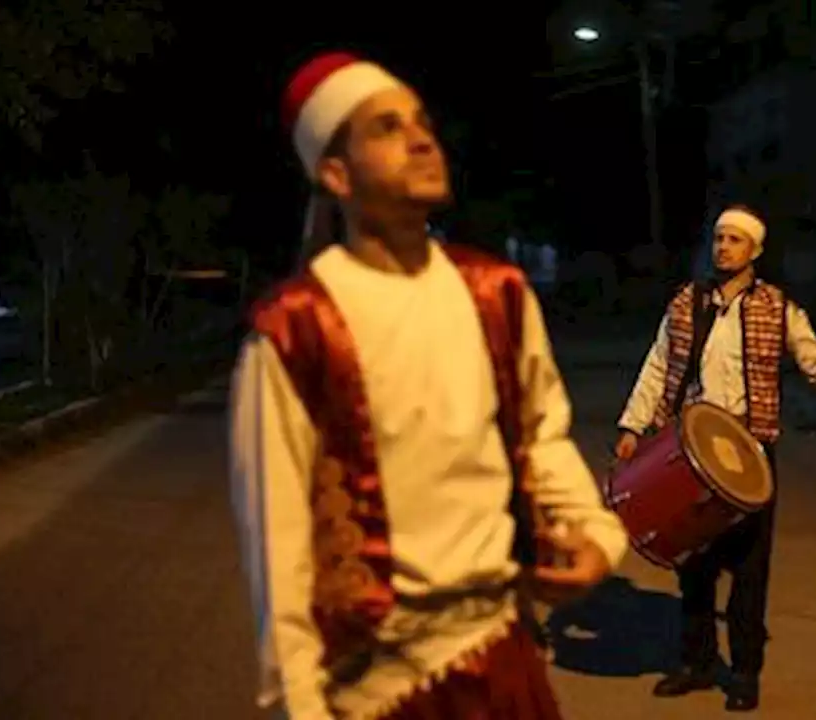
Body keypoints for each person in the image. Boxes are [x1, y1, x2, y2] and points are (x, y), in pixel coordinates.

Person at [228, 51, 628, 720]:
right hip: (381, 689)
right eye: (387, 128)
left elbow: (541, 436)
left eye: (423, 124)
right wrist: (303, 706)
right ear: (335, 172)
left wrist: (592, 533)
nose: (421, 139)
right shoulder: (296, 330)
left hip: (506, 654)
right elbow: (279, 549)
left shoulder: (496, 293)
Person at [613, 205, 816, 712]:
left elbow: (813, 357)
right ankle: (696, 662)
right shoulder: (687, 303)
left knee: (749, 569)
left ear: (754, 251)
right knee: (693, 564)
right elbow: (658, 364)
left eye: (734, 240)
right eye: (719, 238)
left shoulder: (777, 308)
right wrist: (631, 426)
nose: (723, 247)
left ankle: (746, 672)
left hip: (751, 452)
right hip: (690, 448)